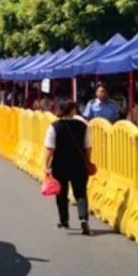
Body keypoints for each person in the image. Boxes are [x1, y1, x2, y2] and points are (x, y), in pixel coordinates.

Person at [43, 99, 93, 235]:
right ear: (72, 111)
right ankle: (83, 218)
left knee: (61, 194)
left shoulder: (54, 127)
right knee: (80, 193)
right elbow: (88, 147)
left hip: (60, 165)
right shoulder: (84, 126)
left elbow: (50, 149)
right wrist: (88, 161)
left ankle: (64, 221)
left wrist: (46, 166)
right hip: (79, 165)